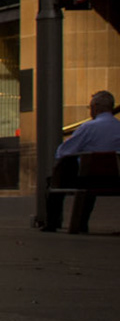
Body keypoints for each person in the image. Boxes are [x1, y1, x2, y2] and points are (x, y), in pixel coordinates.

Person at [49, 91, 120, 232]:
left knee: (60, 171)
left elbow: (63, 151)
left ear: (95, 107)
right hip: (116, 179)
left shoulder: (88, 127)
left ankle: (53, 222)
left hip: (89, 179)